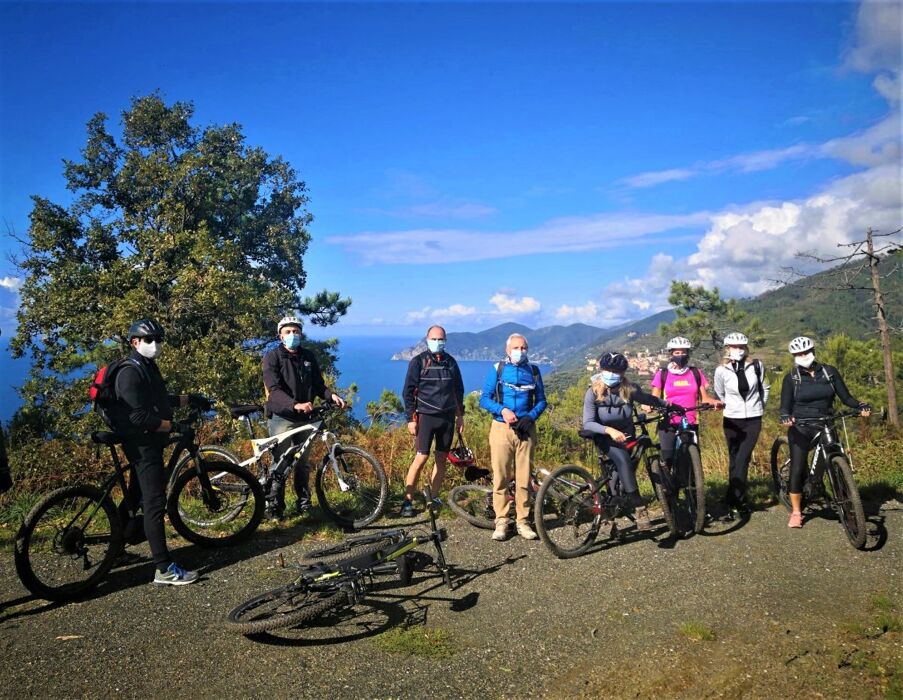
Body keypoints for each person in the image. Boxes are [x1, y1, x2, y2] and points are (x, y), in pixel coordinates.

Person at [108, 319, 202, 585]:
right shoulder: (130, 372)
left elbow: (159, 400)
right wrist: (174, 426)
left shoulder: (146, 366)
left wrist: (190, 399)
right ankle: (164, 568)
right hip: (142, 445)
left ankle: (115, 550)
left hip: (148, 442)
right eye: (149, 340)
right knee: (154, 503)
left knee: (135, 496)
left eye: (159, 339)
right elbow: (139, 417)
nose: (155, 344)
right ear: (134, 342)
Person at [779, 336, 870, 529]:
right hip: (801, 426)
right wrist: (786, 416)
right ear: (794, 356)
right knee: (797, 468)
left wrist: (860, 405)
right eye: (799, 353)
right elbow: (785, 407)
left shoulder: (829, 372)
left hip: (827, 422)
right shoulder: (791, 378)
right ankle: (796, 512)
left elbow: (846, 398)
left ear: (813, 351)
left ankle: (846, 499)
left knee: (837, 457)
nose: (803, 355)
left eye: (806, 352)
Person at [262, 315, 345, 519]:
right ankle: (275, 507)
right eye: (288, 332)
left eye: (296, 331)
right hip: (282, 418)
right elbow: (273, 390)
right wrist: (294, 405)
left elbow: (318, 384)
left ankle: (304, 504)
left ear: (301, 334)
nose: (292, 335)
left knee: (303, 463)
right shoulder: (272, 357)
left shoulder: (308, 356)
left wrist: (331, 395)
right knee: (280, 463)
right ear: (280, 336)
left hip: (306, 418)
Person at [582, 351, 672, 531]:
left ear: (623, 373)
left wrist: (668, 404)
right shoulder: (593, 392)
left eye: (616, 371)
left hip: (627, 436)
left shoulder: (629, 389)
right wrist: (609, 430)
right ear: (602, 370)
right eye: (608, 370)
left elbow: (648, 398)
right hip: (604, 437)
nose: (611, 374)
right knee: (623, 460)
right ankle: (639, 507)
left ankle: (611, 510)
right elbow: (588, 422)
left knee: (617, 474)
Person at [479, 333, 547, 541]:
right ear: (507, 350)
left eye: (523, 348)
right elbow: (484, 399)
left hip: (526, 430)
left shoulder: (533, 371)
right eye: (516, 348)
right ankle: (501, 521)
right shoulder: (498, 369)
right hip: (501, 428)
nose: (520, 351)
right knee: (501, 476)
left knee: (524, 478)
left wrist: (531, 416)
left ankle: (523, 521)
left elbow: (542, 400)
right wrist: (503, 410)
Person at [400, 325, 465, 517]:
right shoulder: (418, 362)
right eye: (434, 339)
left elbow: (458, 391)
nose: (438, 342)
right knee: (421, 458)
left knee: (441, 459)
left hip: (447, 418)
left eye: (441, 339)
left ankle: (434, 497)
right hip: (426, 417)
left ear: (445, 340)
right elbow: (408, 392)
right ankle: (407, 500)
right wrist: (411, 419)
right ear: (427, 339)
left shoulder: (451, 362)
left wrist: (460, 416)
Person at [712, 332, 770, 518]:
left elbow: (765, 388)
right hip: (731, 419)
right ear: (727, 348)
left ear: (746, 348)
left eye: (741, 347)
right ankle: (731, 499)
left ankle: (738, 501)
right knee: (734, 459)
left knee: (743, 459)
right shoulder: (721, 370)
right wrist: (730, 407)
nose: (738, 350)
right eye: (734, 347)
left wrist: (760, 407)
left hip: (753, 419)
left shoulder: (757, 366)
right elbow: (720, 393)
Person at [651, 337, 722, 469]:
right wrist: (648, 405)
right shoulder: (662, 374)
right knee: (668, 459)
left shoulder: (695, 373)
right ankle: (666, 480)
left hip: (690, 421)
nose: (680, 355)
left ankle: (693, 482)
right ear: (671, 354)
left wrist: (715, 402)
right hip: (668, 421)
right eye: (677, 353)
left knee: (691, 461)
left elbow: (705, 398)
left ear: (688, 354)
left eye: (683, 352)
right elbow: (653, 398)